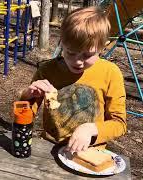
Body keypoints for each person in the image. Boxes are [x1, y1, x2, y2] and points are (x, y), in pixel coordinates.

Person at [20, 7, 127, 153]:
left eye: (87, 55)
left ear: (102, 47)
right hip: (50, 148)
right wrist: (27, 96)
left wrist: (91, 128)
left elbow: (119, 124)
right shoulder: (47, 71)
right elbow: (24, 115)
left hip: (90, 153)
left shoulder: (110, 73)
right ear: (61, 43)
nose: (78, 61)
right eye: (70, 53)